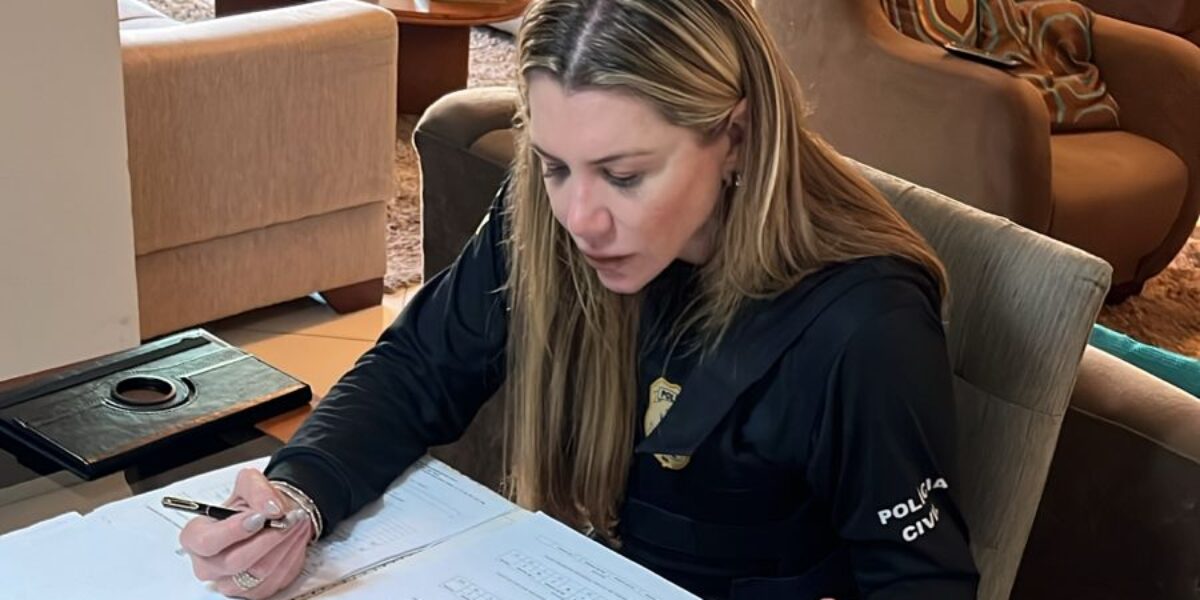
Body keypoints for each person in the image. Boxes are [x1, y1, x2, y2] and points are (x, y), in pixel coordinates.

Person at [178, 0, 981, 598]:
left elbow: (921, 581)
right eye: (555, 164)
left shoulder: (865, 324)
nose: (581, 218)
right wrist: (300, 494)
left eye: (625, 176)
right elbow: (420, 366)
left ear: (735, 138)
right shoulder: (545, 211)